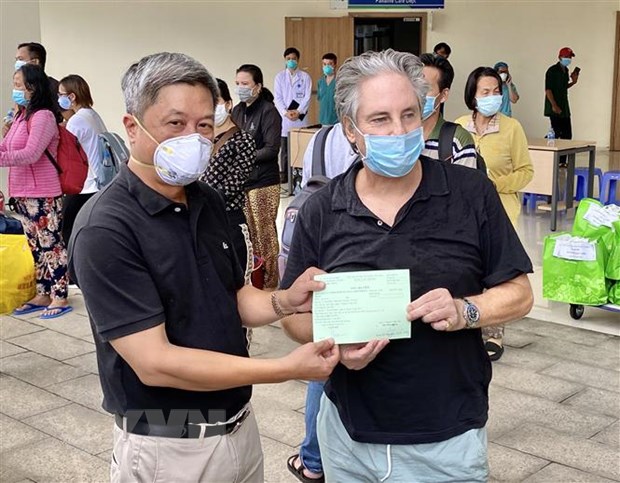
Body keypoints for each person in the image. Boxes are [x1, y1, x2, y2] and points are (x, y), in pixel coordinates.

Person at [68, 52, 339, 483]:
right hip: (167, 446)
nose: (193, 139)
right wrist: (286, 368)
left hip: (238, 429)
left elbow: (232, 297)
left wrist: (285, 300)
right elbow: (155, 362)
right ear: (133, 127)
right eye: (175, 123)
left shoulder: (206, 199)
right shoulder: (106, 228)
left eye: (204, 125)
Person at [281, 49, 534, 482]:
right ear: (351, 130)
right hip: (348, 437)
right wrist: (335, 343)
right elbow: (294, 317)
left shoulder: (471, 193)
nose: (398, 131)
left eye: (409, 115)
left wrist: (466, 310)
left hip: (448, 438)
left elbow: (520, 293)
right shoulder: (323, 209)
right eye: (380, 119)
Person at [287, 123, 358, 482]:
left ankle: (313, 459)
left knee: (324, 351)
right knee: (329, 352)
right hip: (346, 263)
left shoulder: (319, 137)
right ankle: (316, 456)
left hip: (325, 260)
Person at [456, 66, 534, 361]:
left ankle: (493, 333)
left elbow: (526, 171)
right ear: (473, 96)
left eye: (496, 92)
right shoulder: (459, 127)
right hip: (463, 212)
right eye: (485, 92)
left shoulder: (512, 128)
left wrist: (493, 185)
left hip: (501, 210)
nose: (492, 97)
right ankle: (467, 321)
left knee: (497, 272)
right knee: (467, 267)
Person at [0, 64, 72, 319]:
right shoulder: (21, 117)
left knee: (51, 245)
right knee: (35, 246)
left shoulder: (43, 116)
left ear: (33, 87)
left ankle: (60, 296)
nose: (15, 90)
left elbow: (31, 153)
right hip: (22, 193)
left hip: (43, 193)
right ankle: (43, 293)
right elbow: (6, 147)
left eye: (19, 85)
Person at [232, 64, 282, 289]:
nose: (240, 88)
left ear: (258, 86)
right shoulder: (237, 111)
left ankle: (271, 283)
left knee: (265, 235)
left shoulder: (268, 111)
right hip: (244, 182)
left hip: (264, 183)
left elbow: (271, 149)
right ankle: (256, 279)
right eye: (238, 84)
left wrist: (243, 156)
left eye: (245, 84)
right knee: (249, 235)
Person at [201, 78, 256, 274]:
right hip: (202, 220)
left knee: (236, 277)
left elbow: (235, 182)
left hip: (229, 219)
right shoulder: (200, 139)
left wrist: (202, 199)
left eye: (215, 102)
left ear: (228, 104)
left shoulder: (243, 140)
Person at [57, 75, 108, 246]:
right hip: (97, 183)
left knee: (68, 232)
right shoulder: (92, 115)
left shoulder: (77, 120)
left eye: (61, 94)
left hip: (83, 185)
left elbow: (66, 152)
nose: (59, 99)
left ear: (72, 96)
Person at [419, 53, 477, 168]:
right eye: (414, 85)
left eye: (426, 88)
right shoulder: (393, 134)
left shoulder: (457, 140)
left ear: (444, 95)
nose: (418, 93)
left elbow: (465, 180)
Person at [274, 47, 312, 183]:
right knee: (285, 151)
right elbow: (277, 98)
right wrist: (285, 112)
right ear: (285, 60)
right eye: (288, 59)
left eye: (294, 59)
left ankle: (300, 177)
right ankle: (285, 177)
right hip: (285, 119)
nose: (291, 61)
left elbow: (307, 97)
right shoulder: (279, 77)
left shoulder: (305, 77)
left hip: (300, 119)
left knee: (301, 148)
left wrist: (299, 111)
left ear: (298, 60)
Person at [544, 47, 579, 140]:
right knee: (556, 132)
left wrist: (573, 82)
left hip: (564, 106)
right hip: (554, 105)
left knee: (567, 134)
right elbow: (548, 89)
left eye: (570, 57)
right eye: (566, 57)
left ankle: (562, 151)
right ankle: (544, 145)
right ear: (560, 57)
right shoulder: (552, 70)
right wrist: (554, 105)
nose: (569, 59)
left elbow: (563, 87)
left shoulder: (566, 71)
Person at [317, 53, 338, 126]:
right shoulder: (320, 82)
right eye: (324, 64)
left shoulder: (339, 81)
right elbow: (321, 100)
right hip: (323, 120)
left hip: (336, 121)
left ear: (335, 65)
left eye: (330, 64)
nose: (327, 66)